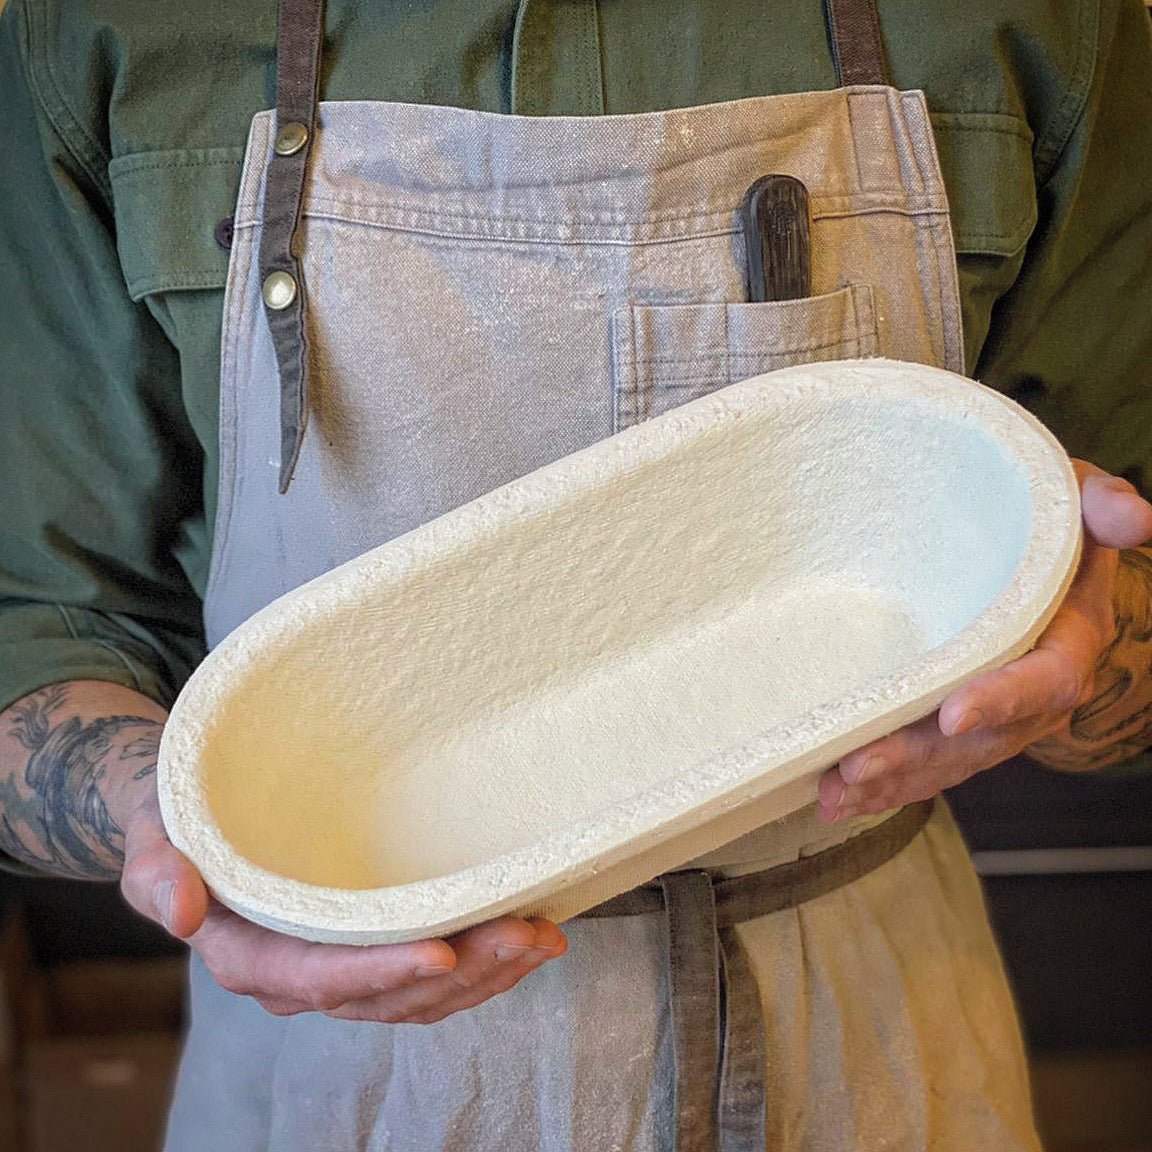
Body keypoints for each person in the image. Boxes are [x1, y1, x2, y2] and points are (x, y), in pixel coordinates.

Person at [2, 0, 1151, 1148]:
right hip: (351, 1065)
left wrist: (1081, 639)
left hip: (872, 1037)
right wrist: (177, 830)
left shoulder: (1048, 25)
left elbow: (1123, 590)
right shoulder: (102, 30)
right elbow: (40, 626)